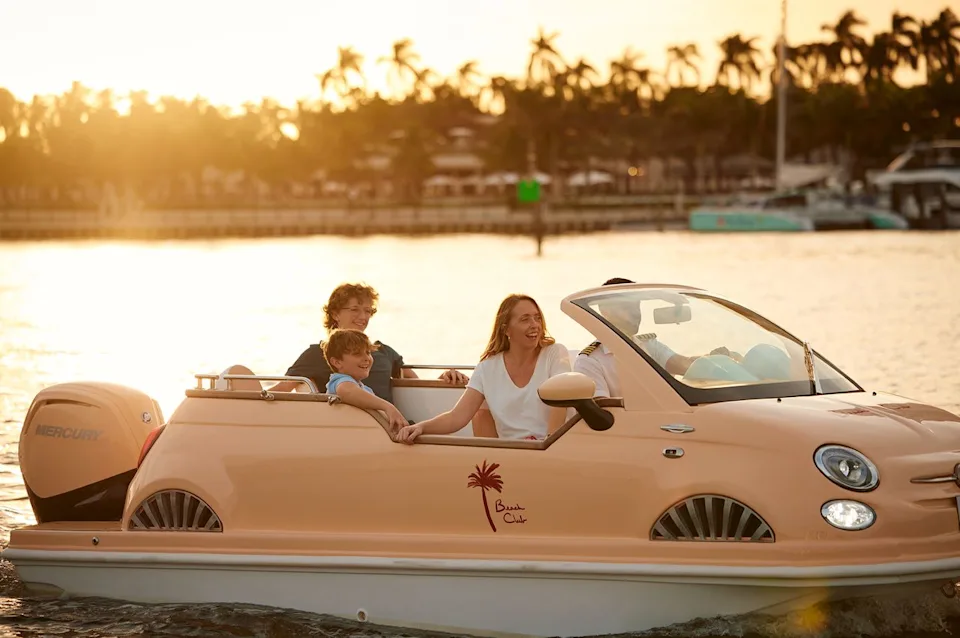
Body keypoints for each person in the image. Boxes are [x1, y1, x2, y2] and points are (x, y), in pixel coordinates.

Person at [396, 294, 571, 443]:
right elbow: (457, 417)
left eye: (537, 317)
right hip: (512, 457)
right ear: (506, 330)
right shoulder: (487, 367)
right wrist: (420, 427)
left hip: (551, 449)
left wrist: (548, 449)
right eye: (525, 319)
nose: (535, 325)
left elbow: (561, 402)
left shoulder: (555, 353)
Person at [270, 283, 468, 401]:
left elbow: (417, 385)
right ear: (335, 313)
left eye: (367, 310)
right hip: (349, 429)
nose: (363, 316)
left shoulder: (384, 352)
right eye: (355, 309)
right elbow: (280, 391)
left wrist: (445, 377)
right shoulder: (316, 354)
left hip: (389, 427)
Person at [575, 278, 734, 397]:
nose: (635, 312)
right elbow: (603, 414)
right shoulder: (590, 360)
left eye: (636, 306)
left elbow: (683, 364)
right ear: (605, 312)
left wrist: (715, 358)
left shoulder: (649, 345)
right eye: (626, 307)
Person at [322, 328, 409, 431]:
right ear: (337, 362)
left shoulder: (364, 389)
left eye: (368, 352)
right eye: (357, 354)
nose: (367, 358)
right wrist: (387, 407)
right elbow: (346, 391)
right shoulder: (340, 381)